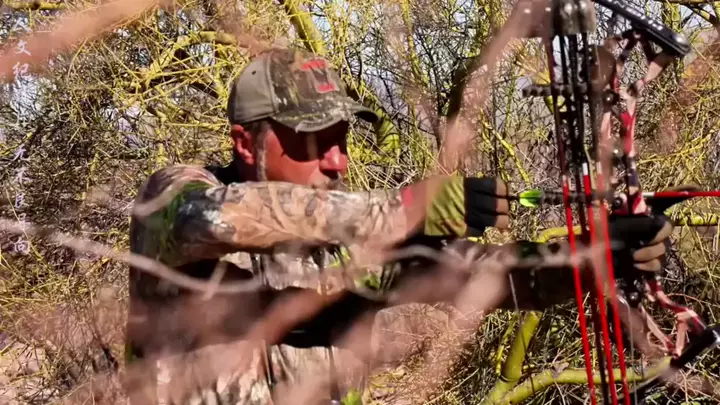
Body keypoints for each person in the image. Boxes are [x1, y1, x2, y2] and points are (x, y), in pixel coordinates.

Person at [123, 47, 676, 405]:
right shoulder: (174, 198)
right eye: (313, 141)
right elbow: (214, 218)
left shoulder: (348, 236)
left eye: (342, 139)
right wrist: (404, 209)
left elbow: (482, 275)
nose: (337, 161)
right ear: (246, 143)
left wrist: (589, 260)